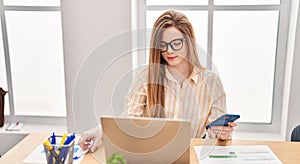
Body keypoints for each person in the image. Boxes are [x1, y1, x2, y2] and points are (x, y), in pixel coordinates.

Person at [79, 10, 236, 152]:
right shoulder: (146, 76)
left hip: (193, 158)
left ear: (188, 42)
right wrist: (102, 130)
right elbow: (130, 118)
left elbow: (215, 133)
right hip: (154, 155)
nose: (169, 50)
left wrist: (222, 133)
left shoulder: (211, 82)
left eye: (176, 43)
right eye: (163, 45)